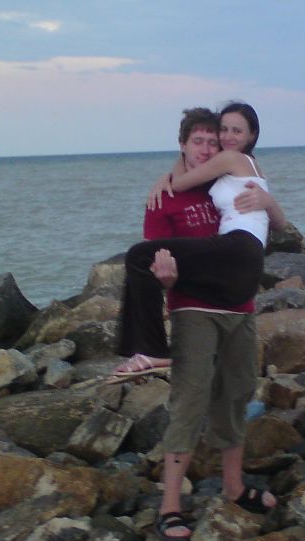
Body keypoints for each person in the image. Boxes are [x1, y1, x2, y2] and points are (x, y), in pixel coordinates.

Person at [113, 104, 287, 540]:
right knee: (190, 400)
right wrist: (167, 279)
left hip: (239, 308)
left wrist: (268, 201)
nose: (210, 147)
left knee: (236, 394)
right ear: (183, 144)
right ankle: (170, 506)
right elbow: (159, 264)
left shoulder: (220, 181)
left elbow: (273, 221)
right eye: (201, 140)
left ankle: (234, 486)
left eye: (217, 139)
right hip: (193, 310)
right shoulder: (165, 199)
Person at [114, 102, 286, 377]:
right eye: (224, 131)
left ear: (251, 135)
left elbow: (179, 183)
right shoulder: (235, 173)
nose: (227, 138)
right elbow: (280, 225)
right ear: (183, 144)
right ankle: (146, 351)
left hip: (239, 252)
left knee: (137, 256)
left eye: (235, 131)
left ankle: (151, 350)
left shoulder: (229, 160)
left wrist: (167, 176)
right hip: (238, 274)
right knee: (143, 259)